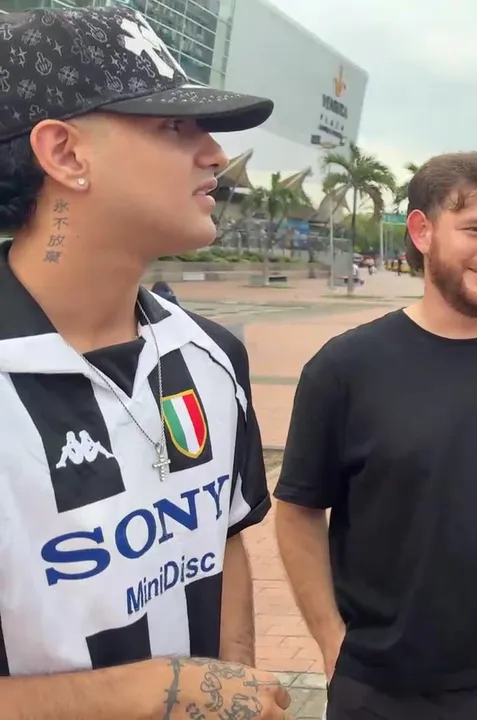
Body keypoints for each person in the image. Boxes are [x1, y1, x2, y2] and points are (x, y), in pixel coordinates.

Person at [0, 6, 290, 719]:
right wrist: (146, 692)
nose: (215, 154)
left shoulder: (212, 357)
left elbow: (225, 540)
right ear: (65, 154)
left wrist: (231, 684)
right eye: (175, 126)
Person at [273, 152, 477, 720]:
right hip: (380, 685)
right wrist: (331, 640)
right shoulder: (345, 368)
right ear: (422, 231)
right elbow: (298, 510)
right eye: (474, 229)